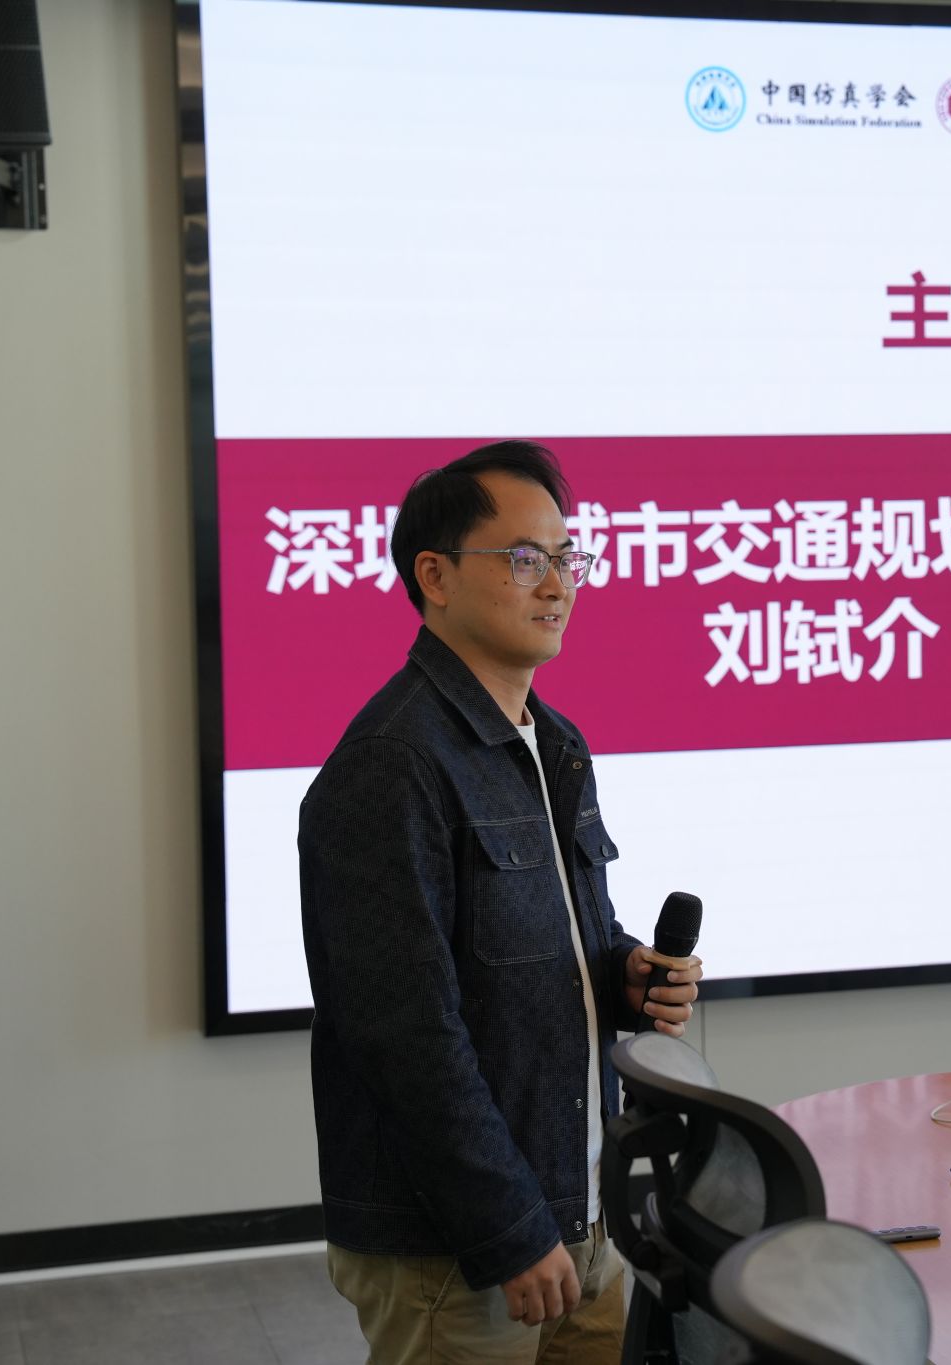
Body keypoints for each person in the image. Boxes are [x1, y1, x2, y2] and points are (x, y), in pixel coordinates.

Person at [297, 440, 703, 1363]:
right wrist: (507, 1226)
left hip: (578, 1214)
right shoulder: (393, 764)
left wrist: (624, 972)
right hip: (459, 1247)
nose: (556, 583)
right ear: (434, 576)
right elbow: (406, 1036)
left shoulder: (553, 742)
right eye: (524, 558)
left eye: (567, 557)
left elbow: (553, 940)